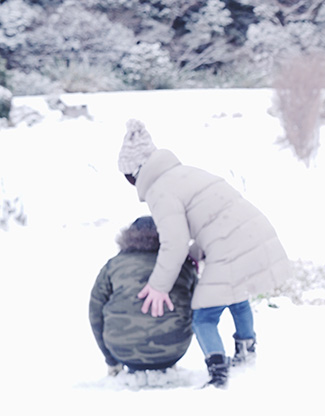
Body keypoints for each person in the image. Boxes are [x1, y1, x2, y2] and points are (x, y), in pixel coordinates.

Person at [117, 119, 292, 388]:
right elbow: (211, 220)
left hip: (230, 245)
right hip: (253, 233)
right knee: (236, 294)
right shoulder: (186, 173)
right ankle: (246, 352)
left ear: (135, 173)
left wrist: (158, 286)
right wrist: (196, 252)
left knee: (204, 313)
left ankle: (218, 373)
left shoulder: (160, 190)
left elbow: (173, 242)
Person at [89, 216, 198, 376]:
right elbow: (199, 305)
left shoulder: (114, 265)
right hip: (173, 349)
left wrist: (111, 360)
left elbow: (95, 312)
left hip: (123, 350)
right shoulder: (181, 264)